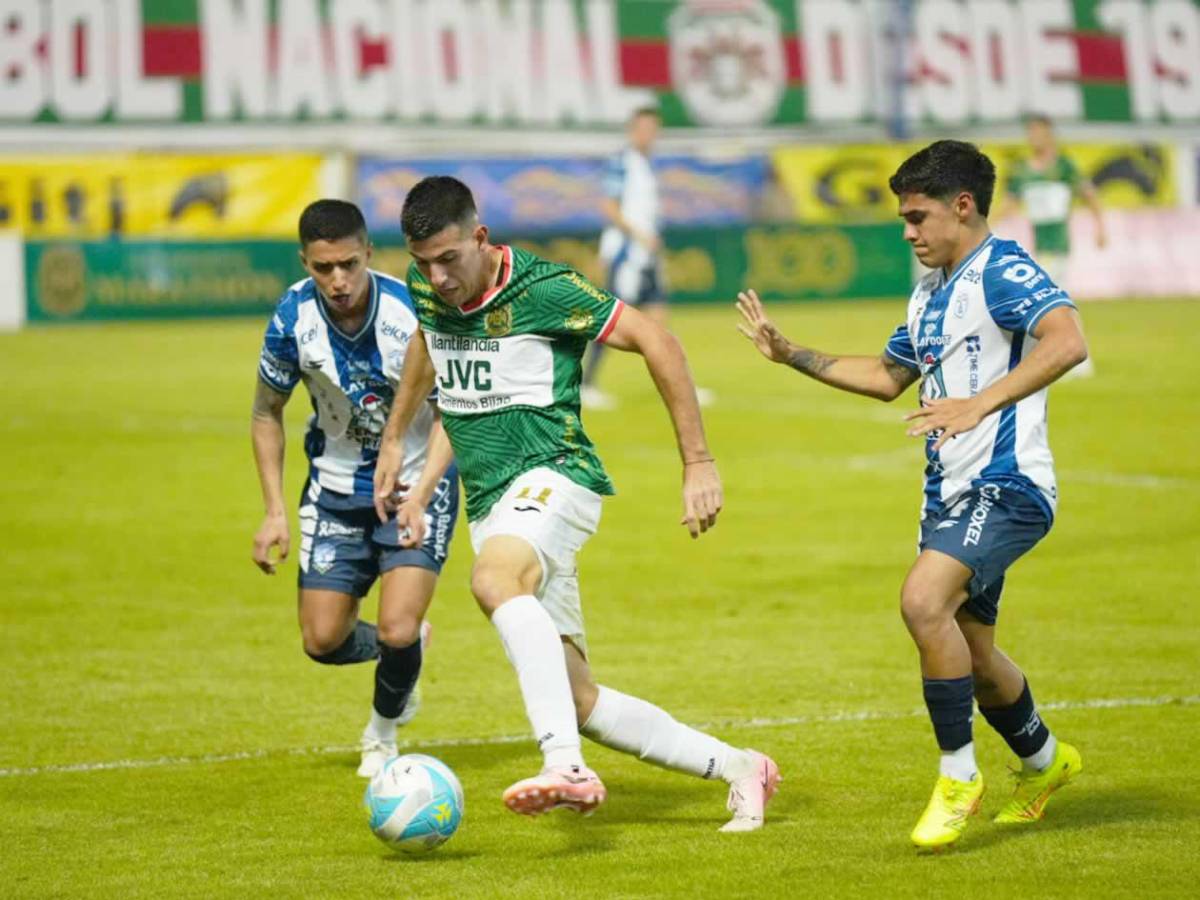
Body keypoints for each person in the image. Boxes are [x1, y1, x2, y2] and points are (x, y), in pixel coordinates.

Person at [373, 175, 778, 832]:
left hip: (557, 473)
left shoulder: (545, 290)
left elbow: (658, 340)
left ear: (480, 237)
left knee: (494, 580)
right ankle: (740, 768)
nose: (438, 277)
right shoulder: (429, 289)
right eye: (423, 263)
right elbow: (433, 351)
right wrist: (402, 449)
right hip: (490, 504)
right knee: (579, 699)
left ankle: (563, 765)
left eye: (449, 259)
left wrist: (698, 460)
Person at [737, 141, 1088, 851]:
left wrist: (979, 404)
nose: (907, 231)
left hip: (1009, 482)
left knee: (923, 602)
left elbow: (1069, 339)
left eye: (918, 216)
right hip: (950, 491)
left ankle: (958, 777)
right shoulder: (930, 290)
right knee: (973, 649)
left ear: (964, 205)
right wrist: (791, 353)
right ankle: (1047, 763)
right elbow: (885, 375)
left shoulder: (1003, 270)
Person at [250, 199, 458, 779]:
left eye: (347, 264)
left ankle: (382, 734)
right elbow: (267, 413)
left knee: (395, 626)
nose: (337, 281)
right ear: (305, 262)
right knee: (321, 639)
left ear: (368, 253)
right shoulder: (292, 319)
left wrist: (421, 494)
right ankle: (407, 647)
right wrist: (273, 512)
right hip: (335, 488)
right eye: (323, 268)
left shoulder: (412, 314)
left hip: (415, 481)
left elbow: (452, 414)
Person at [583, 106, 713, 410]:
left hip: (647, 255)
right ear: (632, 130)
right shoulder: (622, 163)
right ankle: (585, 384)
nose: (649, 135)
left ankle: (680, 387)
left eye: (654, 129)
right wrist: (638, 234)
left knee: (659, 324)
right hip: (627, 255)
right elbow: (609, 207)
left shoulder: (646, 165)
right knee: (612, 324)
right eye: (644, 128)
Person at [998, 114, 1105, 377]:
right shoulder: (1023, 170)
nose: (1033, 137)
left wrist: (1100, 226)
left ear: (1049, 135)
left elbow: (1088, 194)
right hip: (1036, 245)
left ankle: (1065, 357)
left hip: (1058, 244)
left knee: (1047, 300)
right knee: (1056, 300)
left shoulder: (1064, 166)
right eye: (1030, 132)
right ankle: (1074, 357)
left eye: (1038, 132)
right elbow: (1011, 203)